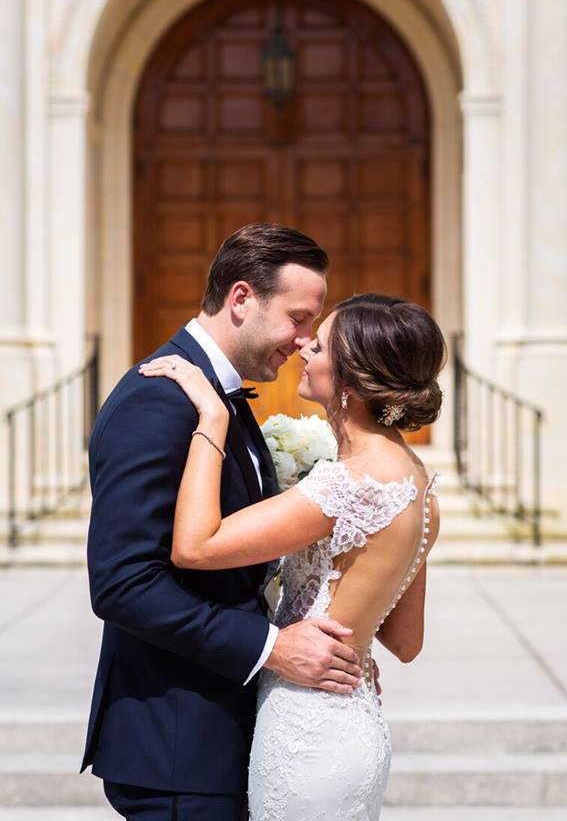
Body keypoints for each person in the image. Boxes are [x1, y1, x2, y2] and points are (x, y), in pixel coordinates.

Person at [82, 223, 365, 821]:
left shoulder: (218, 398)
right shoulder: (158, 398)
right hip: (177, 745)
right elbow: (122, 583)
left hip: (219, 733)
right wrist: (272, 648)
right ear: (241, 299)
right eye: (298, 317)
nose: (305, 340)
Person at [139, 292, 445, 820]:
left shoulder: (349, 482)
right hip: (354, 723)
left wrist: (212, 418)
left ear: (350, 380)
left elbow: (194, 548)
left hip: (306, 731)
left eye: (321, 345)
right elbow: (405, 641)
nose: (305, 349)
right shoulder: (420, 483)